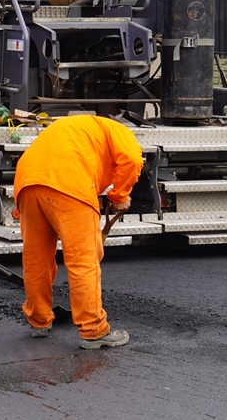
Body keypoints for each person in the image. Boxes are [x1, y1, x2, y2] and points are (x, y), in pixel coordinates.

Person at [13, 114, 143, 349]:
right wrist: (120, 195)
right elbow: (133, 160)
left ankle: (39, 320)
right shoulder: (118, 130)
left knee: (36, 258)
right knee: (83, 261)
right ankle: (93, 329)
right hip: (70, 184)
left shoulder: (73, 127)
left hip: (28, 183)